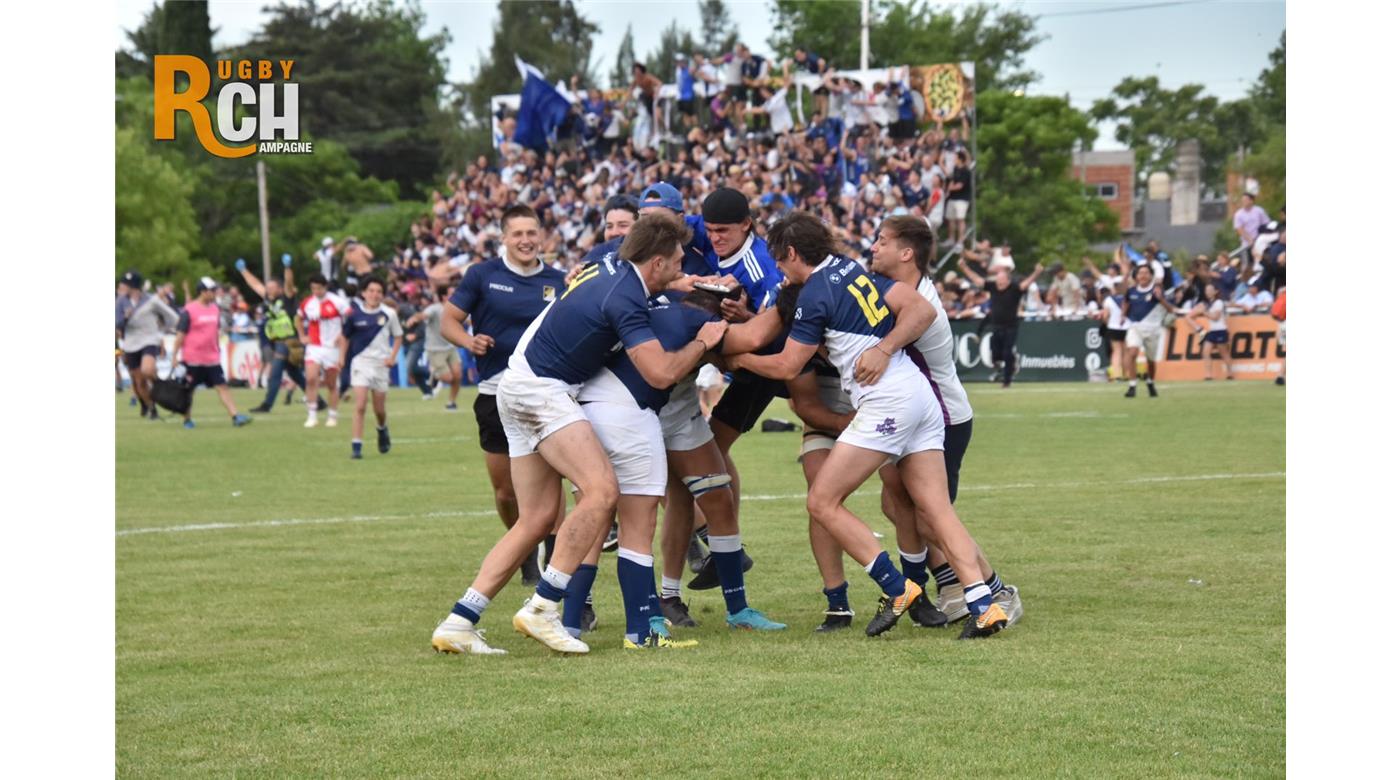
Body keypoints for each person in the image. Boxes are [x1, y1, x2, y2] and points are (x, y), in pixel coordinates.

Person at [429, 213, 728, 656]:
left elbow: (635, 286)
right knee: (602, 491)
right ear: (658, 262)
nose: (685, 267)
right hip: (543, 392)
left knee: (536, 519)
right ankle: (544, 607)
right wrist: (705, 341)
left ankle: (460, 620)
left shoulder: (609, 264)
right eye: (679, 262)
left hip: (514, 386)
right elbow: (661, 373)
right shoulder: (625, 298)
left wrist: (680, 286)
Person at [731, 211, 1008, 639]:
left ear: (790, 253)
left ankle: (897, 588)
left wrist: (734, 358)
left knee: (822, 501)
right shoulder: (851, 269)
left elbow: (788, 363)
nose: (781, 273)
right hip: (920, 398)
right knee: (934, 509)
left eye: (780, 262)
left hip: (887, 403)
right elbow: (918, 308)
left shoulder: (813, 294)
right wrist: (885, 347)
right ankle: (983, 603)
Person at [436, 203, 566, 586]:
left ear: (541, 235)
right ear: (503, 238)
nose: (526, 240)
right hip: (495, 394)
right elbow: (449, 321)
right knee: (506, 492)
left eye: (532, 232)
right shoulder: (482, 275)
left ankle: (555, 576)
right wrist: (468, 341)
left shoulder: (559, 280)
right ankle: (524, 544)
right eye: (518, 234)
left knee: (551, 485)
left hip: (546, 394)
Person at [239, 256, 325, 415]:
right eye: (268, 287)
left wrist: (287, 268)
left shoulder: (287, 298)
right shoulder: (267, 298)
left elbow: (289, 284)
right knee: (295, 375)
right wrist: (244, 271)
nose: (268, 289)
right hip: (276, 340)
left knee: (275, 372)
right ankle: (319, 401)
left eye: (272, 287)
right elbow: (254, 284)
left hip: (288, 340)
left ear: (279, 289)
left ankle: (267, 404)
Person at [172, 277, 253, 429]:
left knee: (222, 386)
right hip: (192, 359)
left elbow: (214, 331)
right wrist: (174, 356)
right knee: (189, 390)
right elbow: (180, 335)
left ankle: (235, 416)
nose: (215, 293)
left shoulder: (215, 309)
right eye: (212, 290)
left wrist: (217, 347)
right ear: (202, 292)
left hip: (212, 358)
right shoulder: (189, 310)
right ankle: (187, 419)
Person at [957, 257, 1044, 387]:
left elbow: (1025, 284)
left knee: (1007, 352)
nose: (998, 281)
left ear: (1007, 279)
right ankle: (1007, 364)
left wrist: (1036, 273)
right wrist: (964, 268)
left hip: (1011, 326)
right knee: (995, 354)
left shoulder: (1014, 288)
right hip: (996, 326)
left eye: (1001, 278)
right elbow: (977, 280)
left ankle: (1007, 380)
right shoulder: (992, 287)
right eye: (997, 278)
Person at [340, 277, 403, 459]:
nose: (375, 294)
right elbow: (345, 336)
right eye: (371, 290)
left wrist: (392, 357)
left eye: (378, 291)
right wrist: (341, 358)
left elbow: (398, 336)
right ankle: (356, 447)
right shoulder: (354, 314)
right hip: (360, 363)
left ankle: (382, 429)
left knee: (379, 410)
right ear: (364, 293)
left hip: (381, 365)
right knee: (359, 405)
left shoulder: (389, 314)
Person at [116, 270, 179, 420]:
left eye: (125, 284)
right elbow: (117, 324)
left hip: (149, 340)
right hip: (130, 343)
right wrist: (125, 318)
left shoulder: (151, 300)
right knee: (139, 381)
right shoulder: (120, 302)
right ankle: (151, 407)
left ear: (133, 286)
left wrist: (166, 329)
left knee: (147, 370)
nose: (122, 286)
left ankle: (162, 388)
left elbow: (172, 315)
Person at [296, 273, 351, 427]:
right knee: (311, 378)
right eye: (313, 288)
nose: (316, 291)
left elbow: (349, 320)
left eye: (319, 288)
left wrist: (342, 334)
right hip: (314, 346)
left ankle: (332, 415)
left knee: (331, 383)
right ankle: (312, 415)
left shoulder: (338, 302)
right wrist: (302, 335)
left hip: (332, 348)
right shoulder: (307, 303)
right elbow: (298, 318)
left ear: (325, 287)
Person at [406, 291, 462, 411]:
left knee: (457, 376)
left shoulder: (458, 307)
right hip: (435, 349)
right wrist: (415, 318)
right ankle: (434, 376)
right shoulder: (435, 308)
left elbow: (467, 319)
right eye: (451, 294)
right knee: (448, 379)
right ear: (444, 296)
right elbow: (423, 315)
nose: (456, 295)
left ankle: (451, 403)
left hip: (450, 346)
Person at [1122, 263, 1168, 398]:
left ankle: (1150, 382)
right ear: (1136, 276)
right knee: (1132, 352)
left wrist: (1161, 299)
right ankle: (1132, 385)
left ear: (1151, 275)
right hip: (1135, 326)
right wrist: (1122, 315)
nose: (1143, 275)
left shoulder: (1157, 290)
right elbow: (1126, 302)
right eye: (1140, 273)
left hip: (1153, 329)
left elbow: (1169, 308)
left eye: (1146, 273)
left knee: (1151, 361)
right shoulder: (1131, 291)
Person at [1187, 283, 1233, 381]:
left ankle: (1230, 373)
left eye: (1210, 290)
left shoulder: (1219, 302)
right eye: (1207, 290)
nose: (1208, 292)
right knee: (1205, 352)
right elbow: (1192, 314)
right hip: (1212, 331)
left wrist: (1203, 312)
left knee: (1224, 353)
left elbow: (1215, 317)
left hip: (1221, 330)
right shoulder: (1207, 304)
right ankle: (1208, 375)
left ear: (1215, 292)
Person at [945, 150, 972, 246]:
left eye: (955, 158)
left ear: (960, 159)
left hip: (962, 199)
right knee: (951, 219)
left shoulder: (966, 171)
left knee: (960, 219)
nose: (954, 160)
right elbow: (953, 180)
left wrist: (950, 188)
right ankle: (951, 239)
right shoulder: (955, 168)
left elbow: (960, 185)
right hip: (953, 198)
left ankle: (960, 240)